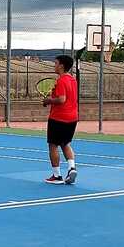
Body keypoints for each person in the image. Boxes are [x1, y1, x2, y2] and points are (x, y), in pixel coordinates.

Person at [42, 54, 78, 185]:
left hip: (59, 117)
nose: (54, 65)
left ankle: (57, 176)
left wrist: (48, 100)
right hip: (72, 117)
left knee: (53, 145)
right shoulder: (72, 80)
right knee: (66, 143)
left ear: (61, 66)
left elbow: (62, 99)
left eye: (56, 63)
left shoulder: (61, 80)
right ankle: (72, 167)